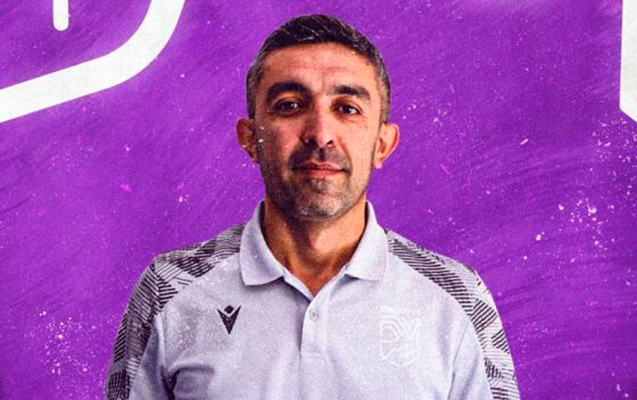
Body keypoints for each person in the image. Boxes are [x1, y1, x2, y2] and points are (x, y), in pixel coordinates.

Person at [104, 14, 520, 400]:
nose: (321, 134)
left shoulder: (456, 298)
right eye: (290, 105)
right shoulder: (170, 289)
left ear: (383, 144)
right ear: (250, 138)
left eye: (347, 109)